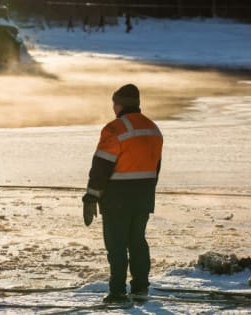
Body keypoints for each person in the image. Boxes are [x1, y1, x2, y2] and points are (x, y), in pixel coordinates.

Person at [82, 84, 163, 304]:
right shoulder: (153, 129)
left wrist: (91, 197)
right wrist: (146, 191)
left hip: (117, 197)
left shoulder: (115, 129)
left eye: (114, 103)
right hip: (144, 196)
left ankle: (117, 292)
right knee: (137, 241)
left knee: (116, 244)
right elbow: (155, 168)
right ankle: (140, 288)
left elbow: (101, 167)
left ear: (119, 105)